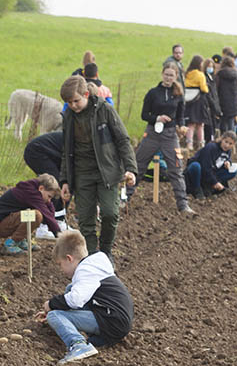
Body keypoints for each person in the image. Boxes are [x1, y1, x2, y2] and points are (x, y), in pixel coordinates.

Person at [58, 75, 137, 257]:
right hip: (81, 173)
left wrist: (130, 168)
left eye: (76, 101)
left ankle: (106, 251)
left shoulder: (105, 110)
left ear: (86, 94)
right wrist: (64, 180)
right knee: (86, 221)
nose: (73, 105)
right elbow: (66, 150)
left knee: (110, 213)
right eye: (68, 102)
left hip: (106, 172)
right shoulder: (68, 116)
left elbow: (122, 140)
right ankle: (94, 257)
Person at [34, 230, 133, 364]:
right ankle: (94, 339)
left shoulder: (85, 271)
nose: (61, 269)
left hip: (112, 320)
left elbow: (76, 300)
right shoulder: (95, 265)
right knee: (70, 289)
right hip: (115, 320)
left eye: (60, 264)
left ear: (69, 258)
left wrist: (50, 305)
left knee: (55, 315)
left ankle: (78, 345)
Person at [125, 65, 193, 215]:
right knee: (139, 166)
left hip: (170, 136)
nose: (168, 78)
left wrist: (181, 126)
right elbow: (144, 115)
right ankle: (124, 200)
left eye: (172, 75)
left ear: (176, 76)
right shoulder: (153, 93)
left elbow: (180, 115)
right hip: (152, 133)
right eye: (166, 75)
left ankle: (183, 205)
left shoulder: (178, 95)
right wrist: (157, 118)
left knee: (176, 169)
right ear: (162, 74)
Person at [0, 174, 63, 255]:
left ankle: (20, 240)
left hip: (6, 220)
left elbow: (48, 209)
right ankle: (10, 244)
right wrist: (59, 234)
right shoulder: (31, 193)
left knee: (33, 214)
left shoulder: (33, 189)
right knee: (36, 216)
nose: (49, 200)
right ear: (41, 188)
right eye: (49, 196)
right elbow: (45, 213)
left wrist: (49, 204)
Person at [22, 130, 68, 235]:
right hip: (36, 152)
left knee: (65, 183)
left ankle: (59, 220)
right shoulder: (76, 142)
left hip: (51, 155)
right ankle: (43, 226)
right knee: (53, 185)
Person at [185, 131, 237, 198]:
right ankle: (196, 188)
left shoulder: (228, 150)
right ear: (222, 139)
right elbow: (205, 167)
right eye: (226, 142)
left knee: (233, 171)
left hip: (211, 172)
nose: (227, 145)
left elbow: (227, 158)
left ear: (233, 145)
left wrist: (228, 162)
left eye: (230, 144)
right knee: (196, 166)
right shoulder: (211, 147)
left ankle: (208, 187)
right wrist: (214, 182)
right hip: (199, 171)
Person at [182, 54, 211, 152]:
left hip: (189, 100)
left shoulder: (187, 73)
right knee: (200, 124)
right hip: (199, 101)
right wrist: (207, 88)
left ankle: (189, 144)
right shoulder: (200, 74)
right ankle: (201, 144)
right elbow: (204, 88)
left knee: (190, 124)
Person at [215, 56, 237, 133]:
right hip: (233, 103)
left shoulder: (219, 74)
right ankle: (232, 141)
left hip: (222, 103)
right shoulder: (236, 74)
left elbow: (216, 89)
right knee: (231, 123)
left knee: (223, 123)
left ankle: (223, 140)